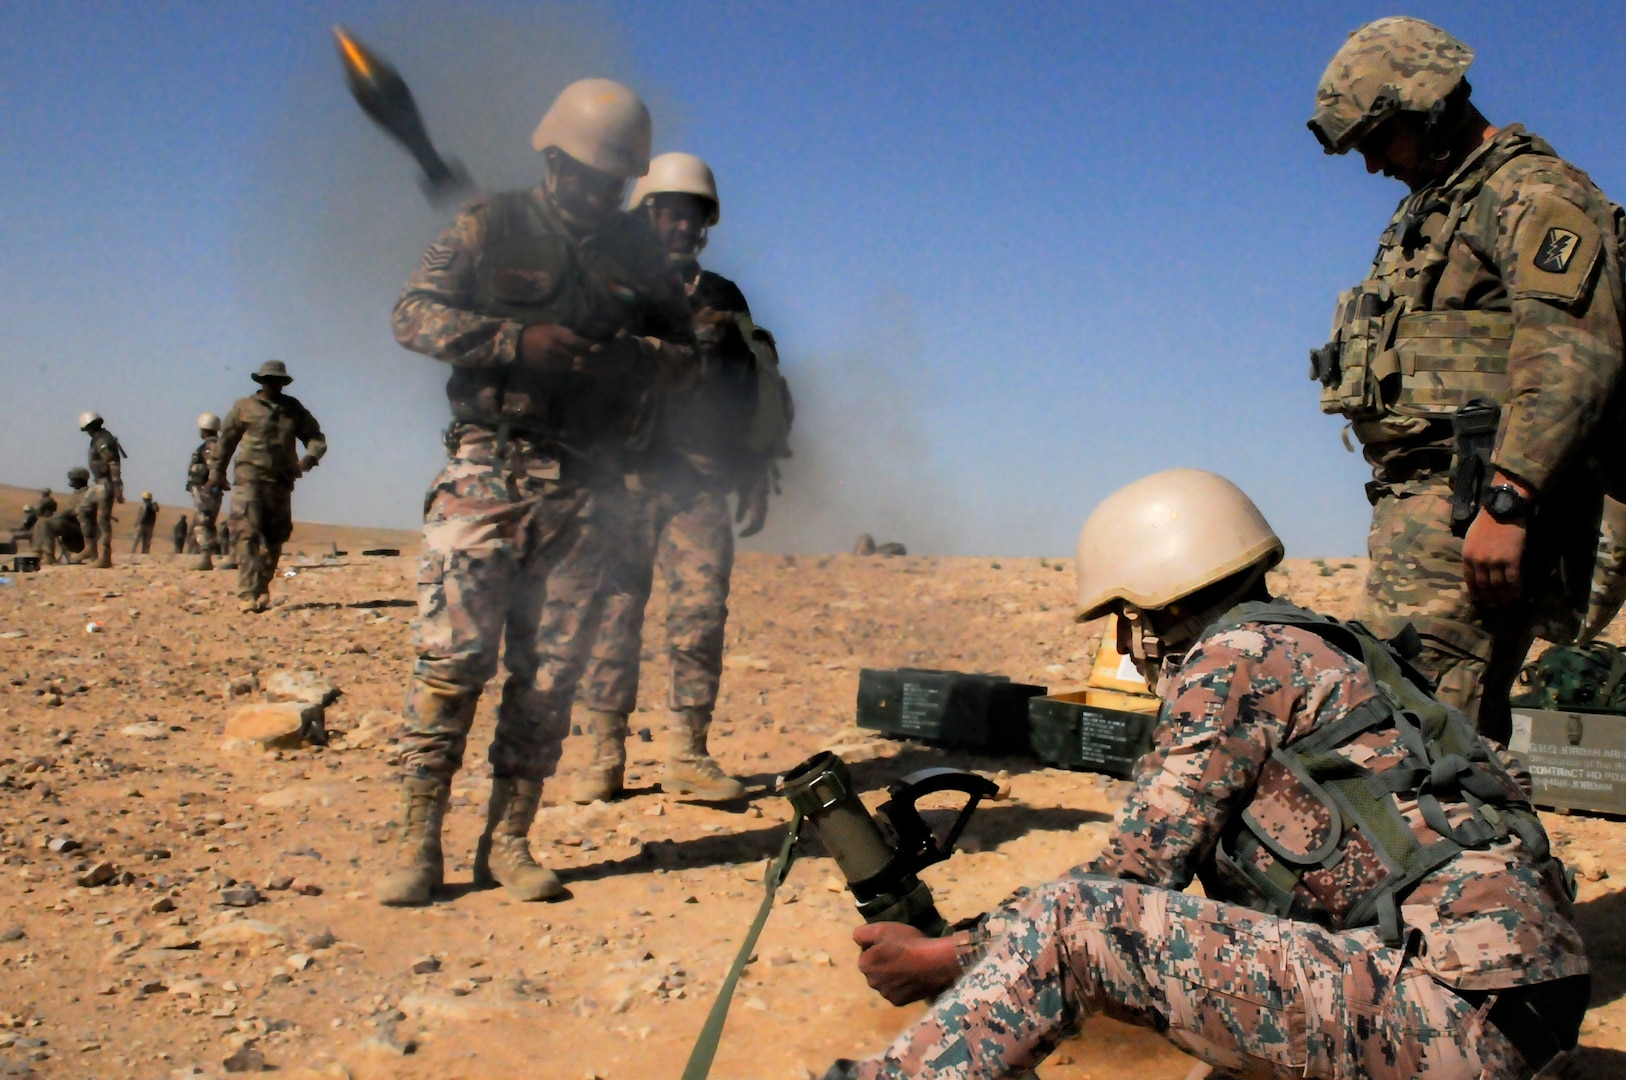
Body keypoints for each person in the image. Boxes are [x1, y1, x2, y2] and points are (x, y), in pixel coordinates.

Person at [826, 469, 1588, 1080]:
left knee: (1074, 923)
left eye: (1125, 618)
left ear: (1156, 603)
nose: (1128, 645)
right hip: (1513, 1006)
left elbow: (1125, 882)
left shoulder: (1233, 663)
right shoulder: (1326, 649)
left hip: (1451, 1013)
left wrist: (947, 955)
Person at [375, 78, 693, 907]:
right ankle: (418, 840)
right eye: (589, 176)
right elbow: (412, 316)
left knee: (550, 681)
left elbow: (690, 358)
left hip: (588, 488)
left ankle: (509, 842)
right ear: (552, 157)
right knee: (452, 665)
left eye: (616, 182)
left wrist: (638, 361)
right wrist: (517, 340)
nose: (601, 194)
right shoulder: (491, 224)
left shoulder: (640, 255)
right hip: (488, 470)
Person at [1306, 16, 1626, 743]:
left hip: (1477, 509)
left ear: (1432, 106)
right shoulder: (1440, 205)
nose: (1372, 165)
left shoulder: (1532, 193)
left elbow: (1576, 354)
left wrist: (1508, 502)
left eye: (1379, 139)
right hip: (1428, 510)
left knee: (1418, 740)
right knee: (1425, 737)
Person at [574, 152, 791, 804]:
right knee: (614, 616)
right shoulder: (611, 287)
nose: (678, 225)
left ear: (704, 226)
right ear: (647, 216)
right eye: (667, 212)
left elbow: (752, 387)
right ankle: (601, 756)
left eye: (690, 216)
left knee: (699, 615)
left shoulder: (724, 298)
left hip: (698, 482)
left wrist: (756, 467)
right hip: (623, 479)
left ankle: (686, 756)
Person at [207, 361, 326, 613]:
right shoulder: (244, 408)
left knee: (276, 536)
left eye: (277, 380)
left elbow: (315, 437)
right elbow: (226, 442)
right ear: (261, 381)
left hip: (281, 481)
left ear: (284, 383)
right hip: (249, 478)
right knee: (246, 533)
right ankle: (248, 591)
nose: (273, 384)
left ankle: (261, 586)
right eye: (269, 379)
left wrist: (310, 457)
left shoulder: (292, 409)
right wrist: (217, 473)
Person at [77, 411, 125, 569]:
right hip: (98, 483)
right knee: (83, 510)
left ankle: (105, 556)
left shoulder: (103, 440)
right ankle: (90, 547)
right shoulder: (98, 440)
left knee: (103, 520)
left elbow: (113, 463)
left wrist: (117, 487)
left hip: (106, 483)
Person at [186, 412, 224, 570]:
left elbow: (214, 466)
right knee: (207, 523)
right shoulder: (216, 444)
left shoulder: (210, 446)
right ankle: (206, 556)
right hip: (209, 489)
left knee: (202, 524)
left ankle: (205, 558)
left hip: (206, 490)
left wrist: (209, 484)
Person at [32, 469, 91, 565]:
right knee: (41, 522)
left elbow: (76, 511)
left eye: (73, 480)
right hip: (71, 523)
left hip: (81, 526)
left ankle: (49, 556)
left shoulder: (88, 493)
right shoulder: (77, 494)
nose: (70, 483)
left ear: (80, 480)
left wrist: (60, 515)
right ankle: (37, 552)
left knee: (46, 523)